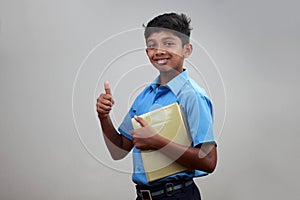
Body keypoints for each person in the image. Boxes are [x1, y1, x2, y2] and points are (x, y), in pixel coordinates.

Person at [96, 13, 217, 200]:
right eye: (152, 45)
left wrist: (157, 142)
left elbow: (208, 161)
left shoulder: (192, 96)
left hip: (177, 195)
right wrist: (104, 117)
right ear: (147, 52)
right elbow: (118, 150)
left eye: (168, 43)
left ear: (187, 50)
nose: (159, 51)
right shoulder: (144, 97)